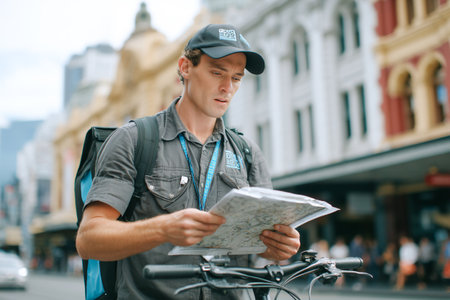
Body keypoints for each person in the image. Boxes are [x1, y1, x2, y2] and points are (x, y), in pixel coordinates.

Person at [76, 24, 301, 300]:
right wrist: (163, 228)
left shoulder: (247, 153)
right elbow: (89, 239)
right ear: (185, 67)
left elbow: (260, 243)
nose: (227, 87)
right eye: (217, 72)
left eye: (237, 78)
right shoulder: (134, 140)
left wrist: (278, 245)